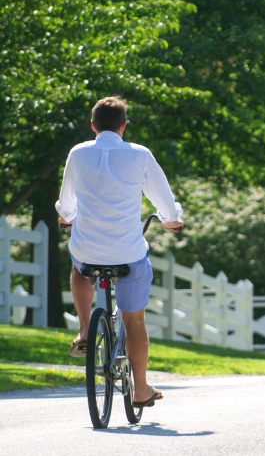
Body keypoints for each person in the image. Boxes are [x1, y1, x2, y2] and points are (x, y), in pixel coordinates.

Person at [56, 96, 183, 409]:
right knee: (134, 321)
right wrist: (170, 219)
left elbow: (66, 202)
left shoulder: (78, 153)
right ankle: (140, 389)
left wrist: (66, 218)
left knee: (79, 267)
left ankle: (85, 329)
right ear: (124, 126)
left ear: (93, 126)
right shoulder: (139, 155)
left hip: (87, 248)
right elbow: (164, 201)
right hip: (127, 252)